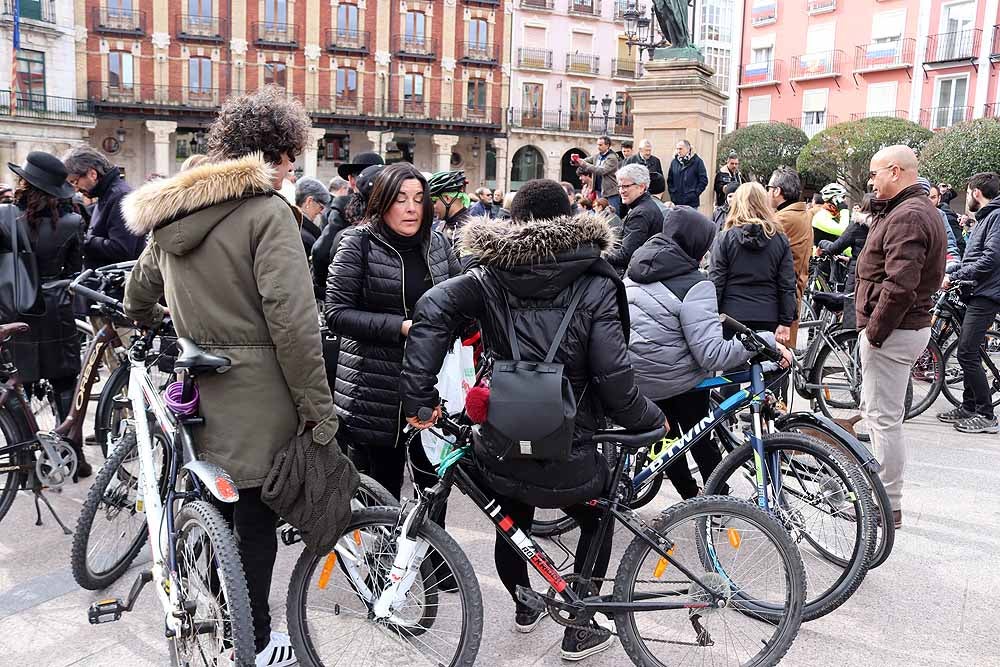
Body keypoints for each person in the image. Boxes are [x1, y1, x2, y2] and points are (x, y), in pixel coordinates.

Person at [400, 177, 665, 661]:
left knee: (511, 520)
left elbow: (433, 308)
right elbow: (612, 370)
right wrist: (645, 417)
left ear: (513, 222)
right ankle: (579, 626)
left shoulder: (488, 274)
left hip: (503, 434)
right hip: (575, 441)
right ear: (569, 219)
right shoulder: (596, 278)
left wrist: (419, 396)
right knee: (594, 520)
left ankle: (526, 606)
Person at [122, 87, 336, 667]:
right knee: (256, 515)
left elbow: (137, 293)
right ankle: (259, 637)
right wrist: (318, 406)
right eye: (291, 157)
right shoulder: (267, 213)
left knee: (213, 502)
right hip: (261, 387)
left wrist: (154, 325)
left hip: (198, 381)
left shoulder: (174, 213)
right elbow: (293, 323)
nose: (293, 168)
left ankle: (223, 608)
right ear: (272, 155)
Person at [626, 206, 790, 498]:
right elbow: (712, 355)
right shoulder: (695, 284)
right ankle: (717, 497)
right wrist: (763, 341)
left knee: (666, 439)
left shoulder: (635, 267)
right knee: (699, 433)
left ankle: (689, 494)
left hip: (637, 377)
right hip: (676, 379)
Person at [326, 163, 461, 499]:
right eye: (401, 199)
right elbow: (337, 313)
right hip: (374, 391)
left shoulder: (438, 244)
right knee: (380, 499)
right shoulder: (358, 243)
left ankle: (431, 555)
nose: (411, 207)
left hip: (430, 386)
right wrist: (400, 327)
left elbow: (462, 298)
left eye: (419, 198)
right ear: (383, 202)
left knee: (433, 495)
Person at [856, 145, 946, 529]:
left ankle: (886, 502)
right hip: (903, 329)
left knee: (883, 419)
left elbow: (900, 285)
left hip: (895, 331)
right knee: (880, 414)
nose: (871, 181)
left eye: (875, 174)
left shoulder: (909, 215)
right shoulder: (912, 209)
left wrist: (874, 332)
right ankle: (881, 492)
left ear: (895, 171)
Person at [5, 152, 88, 476]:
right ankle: (73, 457)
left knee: (14, 386)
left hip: (13, 311)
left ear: (24, 183)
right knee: (66, 384)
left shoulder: (2, 217)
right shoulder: (71, 222)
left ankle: (23, 459)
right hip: (56, 312)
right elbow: (75, 270)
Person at [938, 171, 1000, 434]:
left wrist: (957, 274)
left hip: (987, 295)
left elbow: (990, 259)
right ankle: (969, 405)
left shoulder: (996, 217)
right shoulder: (986, 217)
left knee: (966, 352)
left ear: (976, 192)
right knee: (969, 350)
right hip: (976, 291)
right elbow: (972, 255)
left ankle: (986, 415)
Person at [710, 182, 797, 346]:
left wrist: (712, 315)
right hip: (768, 314)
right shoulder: (779, 239)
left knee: (734, 370)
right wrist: (786, 321)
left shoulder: (725, 238)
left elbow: (716, 282)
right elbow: (787, 284)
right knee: (765, 367)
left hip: (732, 315)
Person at [62, 145, 145, 269]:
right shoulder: (109, 194)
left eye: (75, 182)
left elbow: (121, 249)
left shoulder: (120, 195)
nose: (76, 189)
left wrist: (83, 239)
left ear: (92, 174)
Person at [767, 167, 812, 347]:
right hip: (790, 294)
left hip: (780, 298)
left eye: (768, 188)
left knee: (773, 361)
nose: (767, 193)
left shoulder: (783, 219)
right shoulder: (800, 214)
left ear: (777, 191)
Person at [817, 195, 873, 330]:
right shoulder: (884, 225)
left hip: (856, 278)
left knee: (851, 323)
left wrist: (821, 243)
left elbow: (835, 248)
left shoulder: (857, 225)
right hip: (875, 280)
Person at [606, 164, 663, 273]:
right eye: (619, 187)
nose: (621, 191)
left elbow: (626, 255)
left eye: (626, 186)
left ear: (641, 187)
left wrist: (601, 252)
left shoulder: (640, 213)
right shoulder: (643, 206)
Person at [575, 135, 621, 214]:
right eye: (597, 144)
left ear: (607, 145)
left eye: (600, 145)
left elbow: (601, 170)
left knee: (612, 215)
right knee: (601, 214)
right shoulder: (597, 156)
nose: (598, 147)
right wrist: (576, 161)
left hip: (611, 193)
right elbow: (585, 161)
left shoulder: (612, 158)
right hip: (600, 191)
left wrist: (583, 164)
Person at [428, 170, 471, 245]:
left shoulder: (468, 234)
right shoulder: (445, 224)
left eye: (434, 202)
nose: (432, 207)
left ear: (447, 198)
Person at [667, 139, 708, 209]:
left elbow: (703, 180)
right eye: (677, 149)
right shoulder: (674, 162)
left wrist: (694, 194)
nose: (678, 151)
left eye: (680, 149)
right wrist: (673, 194)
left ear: (688, 149)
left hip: (691, 204)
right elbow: (670, 180)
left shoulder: (697, 161)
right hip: (676, 202)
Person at [294, 176, 330, 257]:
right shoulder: (304, 237)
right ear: (309, 201)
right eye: (321, 207)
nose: (321, 212)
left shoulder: (292, 223)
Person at [927, 183, 961, 264]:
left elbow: (949, 244)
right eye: (925, 197)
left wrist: (952, 263)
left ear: (939, 199)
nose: (928, 201)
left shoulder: (941, 215)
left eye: (932, 197)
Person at [937, 183, 965, 256]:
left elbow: (955, 242)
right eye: (941, 186)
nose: (943, 188)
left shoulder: (947, 194)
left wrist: (950, 188)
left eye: (944, 186)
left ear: (938, 198)